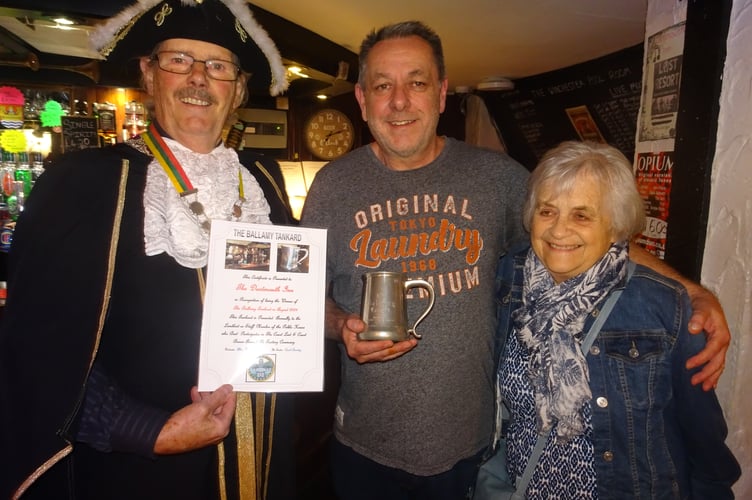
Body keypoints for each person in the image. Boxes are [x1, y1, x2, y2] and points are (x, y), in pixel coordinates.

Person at [299, 20, 732, 500]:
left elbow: (578, 231)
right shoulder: (330, 189)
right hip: (364, 448)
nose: (399, 101)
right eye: (383, 85)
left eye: (417, 82)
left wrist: (693, 293)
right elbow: (303, 299)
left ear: (441, 94)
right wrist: (341, 328)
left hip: (470, 452)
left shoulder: (498, 178)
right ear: (362, 98)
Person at [0, 1, 296, 499]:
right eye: (179, 59)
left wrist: (332, 321)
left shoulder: (262, 179)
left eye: (218, 66)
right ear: (149, 75)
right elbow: (34, 351)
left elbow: (289, 297)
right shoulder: (83, 183)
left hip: (262, 455)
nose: (199, 78)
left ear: (238, 89)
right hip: (142, 473)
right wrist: (146, 431)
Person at [489, 140, 740, 498]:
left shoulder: (662, 308)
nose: (559, 231)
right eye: (547, 211)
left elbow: (705, 441)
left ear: (615, 224)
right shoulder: (509, 282)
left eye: (582, 215)